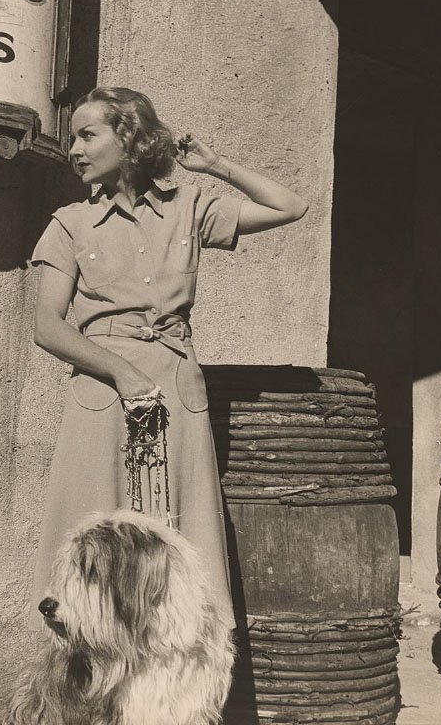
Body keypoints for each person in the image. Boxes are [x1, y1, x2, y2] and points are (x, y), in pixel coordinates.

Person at [28, 86, 308, 627]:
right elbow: (46, 326)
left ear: (128, 137)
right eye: (73, 139)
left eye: (88, 135)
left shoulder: (191, 208)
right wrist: (121, 370)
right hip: (103, 394)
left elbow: (290, 206)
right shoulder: (69, 223)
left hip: (176, 390)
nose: (74, 150)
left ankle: (173, 682)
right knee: (92, 539)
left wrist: (216, 165)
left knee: (179, 533)